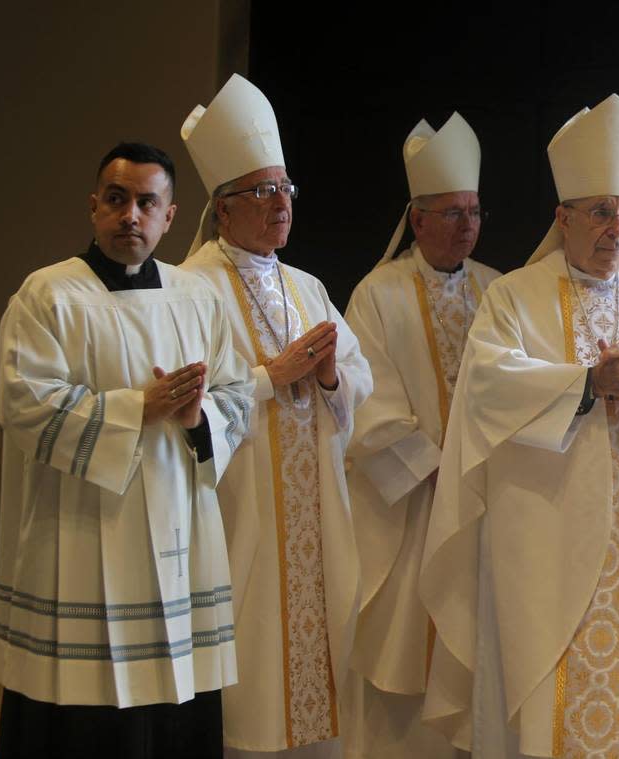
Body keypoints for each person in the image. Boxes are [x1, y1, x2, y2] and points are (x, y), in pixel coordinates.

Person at [420, 93, 619, 758]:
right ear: (562, 218)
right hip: (543, 541)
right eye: (602, 212)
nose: (618, 228)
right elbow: (487, 390)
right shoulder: (513, 297)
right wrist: (587, 384)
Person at [0, 142, 253, 758]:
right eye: (116, 199)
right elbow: (23, 403)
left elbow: (237, 392)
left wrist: (199, 417)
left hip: (177, 536)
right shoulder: (48, 295)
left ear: (169, 216)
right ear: (93, 207)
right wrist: (140, 409)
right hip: (79, 534)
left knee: (172, 701)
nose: (129, 215)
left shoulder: (199, 298)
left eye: (146, 202)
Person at [179, 74, 373, 758]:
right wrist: (270, 377)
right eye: (262, 191)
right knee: (251, 668)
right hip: (240, 513)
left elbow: (359, 383)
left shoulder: (306, 285)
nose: (279, 203)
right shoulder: (191, 287)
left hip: (314, 511)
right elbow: (183, 410)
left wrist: (327, 378)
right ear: (222, 208)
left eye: (285, 189)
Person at [343, 112, 499, 759]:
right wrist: (443, 466)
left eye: (474, 211)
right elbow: (366, 403)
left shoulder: (498, 290)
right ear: (417, 220)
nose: (467, 224)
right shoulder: (376, 294)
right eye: (452, 211)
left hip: (482, 507)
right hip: (411, 509)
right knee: (405, 653)